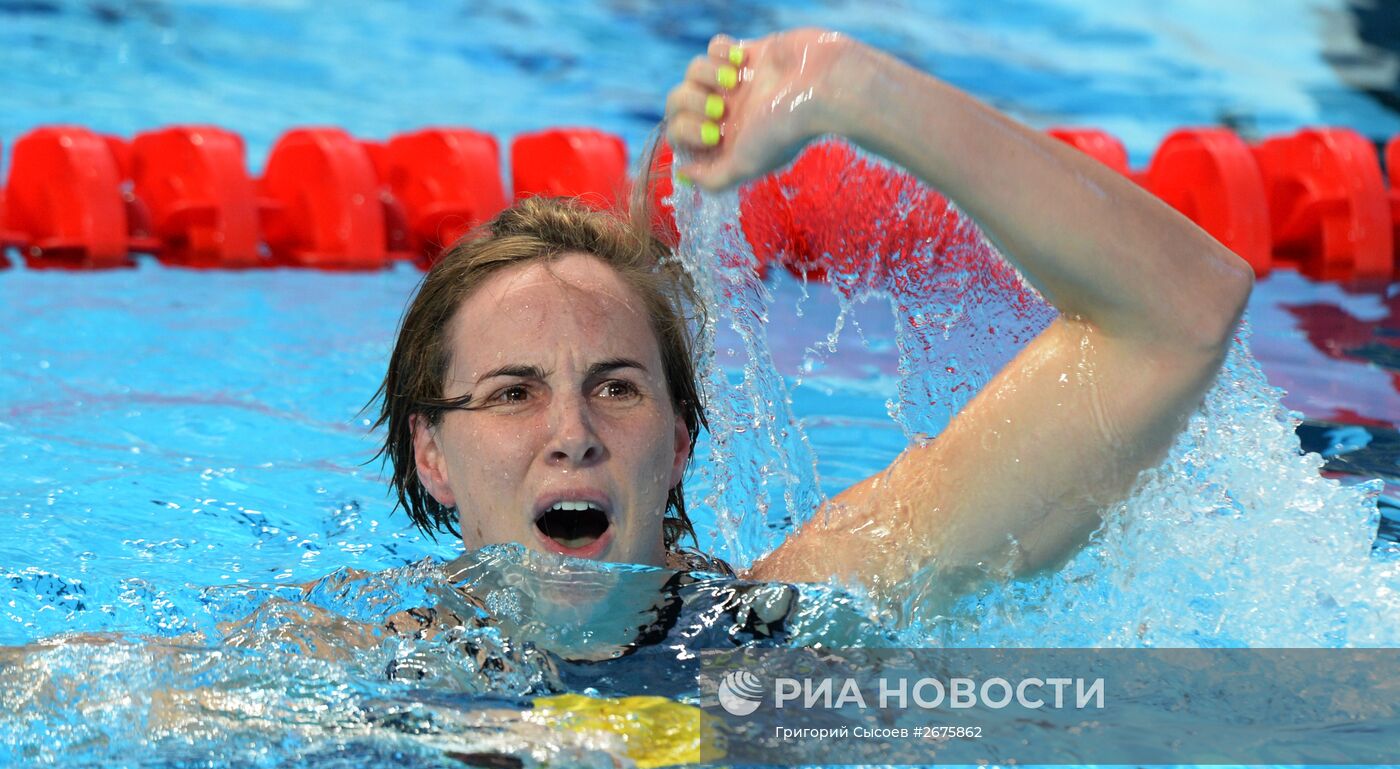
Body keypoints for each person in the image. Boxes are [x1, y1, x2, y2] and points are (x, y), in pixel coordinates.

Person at [372, 27, 1253, 620]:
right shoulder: (354, 674)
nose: (573, 435)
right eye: (513, 392)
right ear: (432, 454)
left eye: (617, 386)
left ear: (681, 440)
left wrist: (854, 91)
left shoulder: (791, 620)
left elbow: (1179, 317)